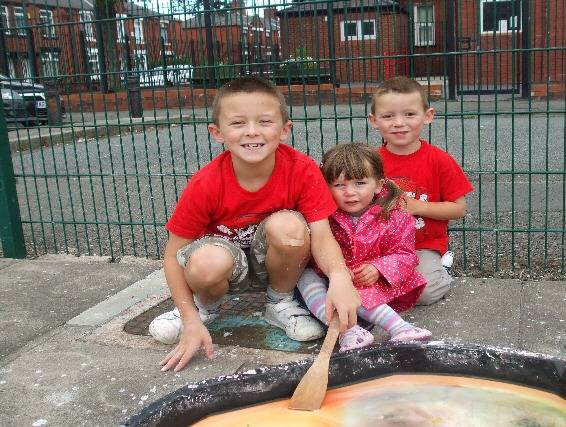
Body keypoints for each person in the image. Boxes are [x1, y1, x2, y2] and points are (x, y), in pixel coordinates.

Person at [148, 77, 361, 371]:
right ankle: (204, 308)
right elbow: (173, 255)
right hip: (222, 269)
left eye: (264, 121)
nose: (252, 132)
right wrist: (189, 317)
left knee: (290, 226)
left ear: (285, 129)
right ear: (217, 132)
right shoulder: (205, 183)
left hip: (274, 265)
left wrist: (340, 277)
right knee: (207, 261)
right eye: (237, 123)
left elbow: (322, 236)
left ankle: (279, 303)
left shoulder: (303, 170)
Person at [298, 143, 432, 352]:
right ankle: (348, 331)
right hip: (330, 277)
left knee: (355, 288)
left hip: (372, 281)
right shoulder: (324, 217)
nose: (350, 192)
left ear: (378, 185)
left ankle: (400, 328)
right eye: (339, 185)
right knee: (305, 278)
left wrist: (379, 268)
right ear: (326, 186)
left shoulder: (395, 216)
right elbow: (316, 249)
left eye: (360, 183)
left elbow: (406, 256)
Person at [369, 76, 474, 306]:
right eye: (388, 116)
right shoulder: (372, 163)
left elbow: (459, 209)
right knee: (367, 287)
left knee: (423, 293)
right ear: (374, 120)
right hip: (382, 245)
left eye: (409, 114)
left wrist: (418, 207)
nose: (399, 123)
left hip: (423, 244)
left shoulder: (440, 160)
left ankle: (441, 269)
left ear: (428, 116)